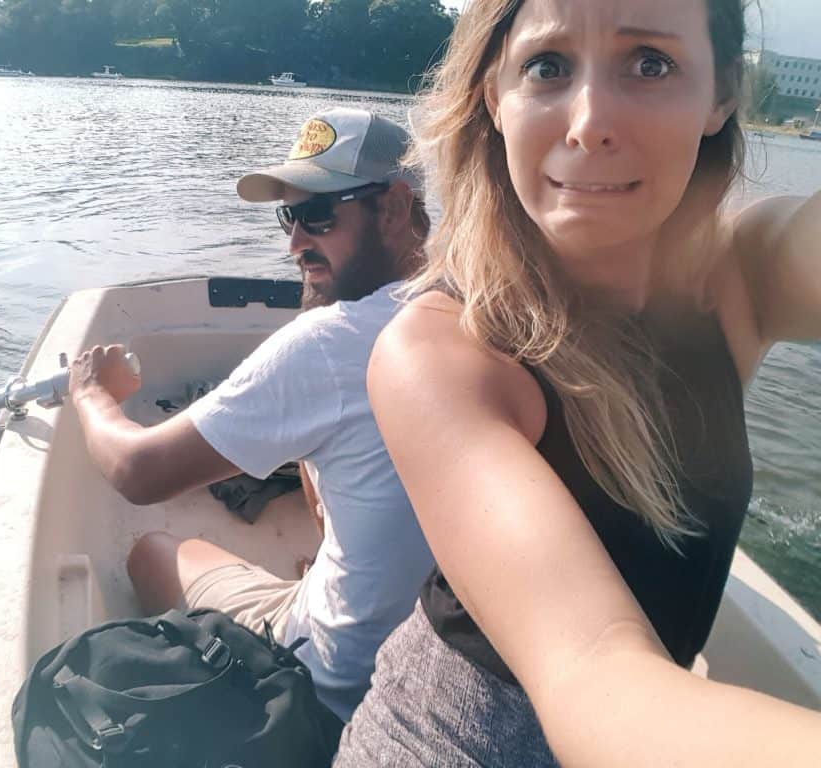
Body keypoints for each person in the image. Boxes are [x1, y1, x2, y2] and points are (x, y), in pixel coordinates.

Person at [335, 0, 821, 766]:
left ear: (721, 95)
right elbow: (595, 674)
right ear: (496, 96)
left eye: (650, 64)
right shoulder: (440, 350)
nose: (589, 121)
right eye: (548, 66)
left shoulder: (740, 278)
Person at [68, 107, 435, 721]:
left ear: (394, 210)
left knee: (154, 551)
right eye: (288, 215)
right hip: (427, 680)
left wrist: (91, 394)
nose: (294, 242)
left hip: (331, 687)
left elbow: (137, 473)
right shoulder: (466, 307)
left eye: (318, 214)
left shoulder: (329, 342)